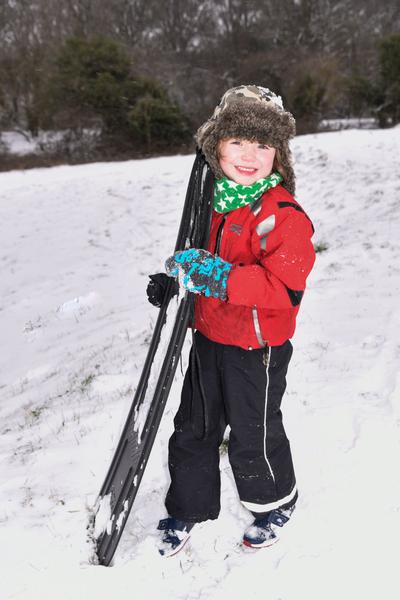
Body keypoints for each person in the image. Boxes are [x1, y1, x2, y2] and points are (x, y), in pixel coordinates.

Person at [147, 85, 316, 557]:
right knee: (194, 427)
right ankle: (188, 506)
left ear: (278, 155)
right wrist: (175, 281)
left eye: (263, 145)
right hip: (209, 336)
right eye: (237, 142)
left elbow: (285, 289)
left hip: (257, 349)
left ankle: (274, 503)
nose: (249, 155)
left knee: (252, 430)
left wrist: (219, 278)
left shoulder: (282, 215)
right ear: (215, 145)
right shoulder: (212, 200)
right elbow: (196, 260)